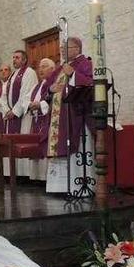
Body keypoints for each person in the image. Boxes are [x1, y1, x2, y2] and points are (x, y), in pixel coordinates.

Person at [42, 37, 94, 193]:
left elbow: (91, 85)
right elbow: (47, 89)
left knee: (76, 150)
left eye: (66, 47)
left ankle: (79, 186)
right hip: (59, 118)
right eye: (62, 48)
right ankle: (60, 187)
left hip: (76, 116)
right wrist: (51, 89)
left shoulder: (85, 63)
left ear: (77, 48)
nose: (62, 51)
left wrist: (73, 75)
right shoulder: (60, 68)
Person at [26, 58, 56, 181]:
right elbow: (26, 99)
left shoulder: (54, 83)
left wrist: (40, 105)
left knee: (46, 146)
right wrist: (29, 104)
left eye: (44, 66)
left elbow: (55, 100)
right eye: (39, 67)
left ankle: (47, 178)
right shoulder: (37, 86)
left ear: (52, 69)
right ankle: (38, 177)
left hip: (48, 121)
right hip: (37, 120)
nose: (40, 69)